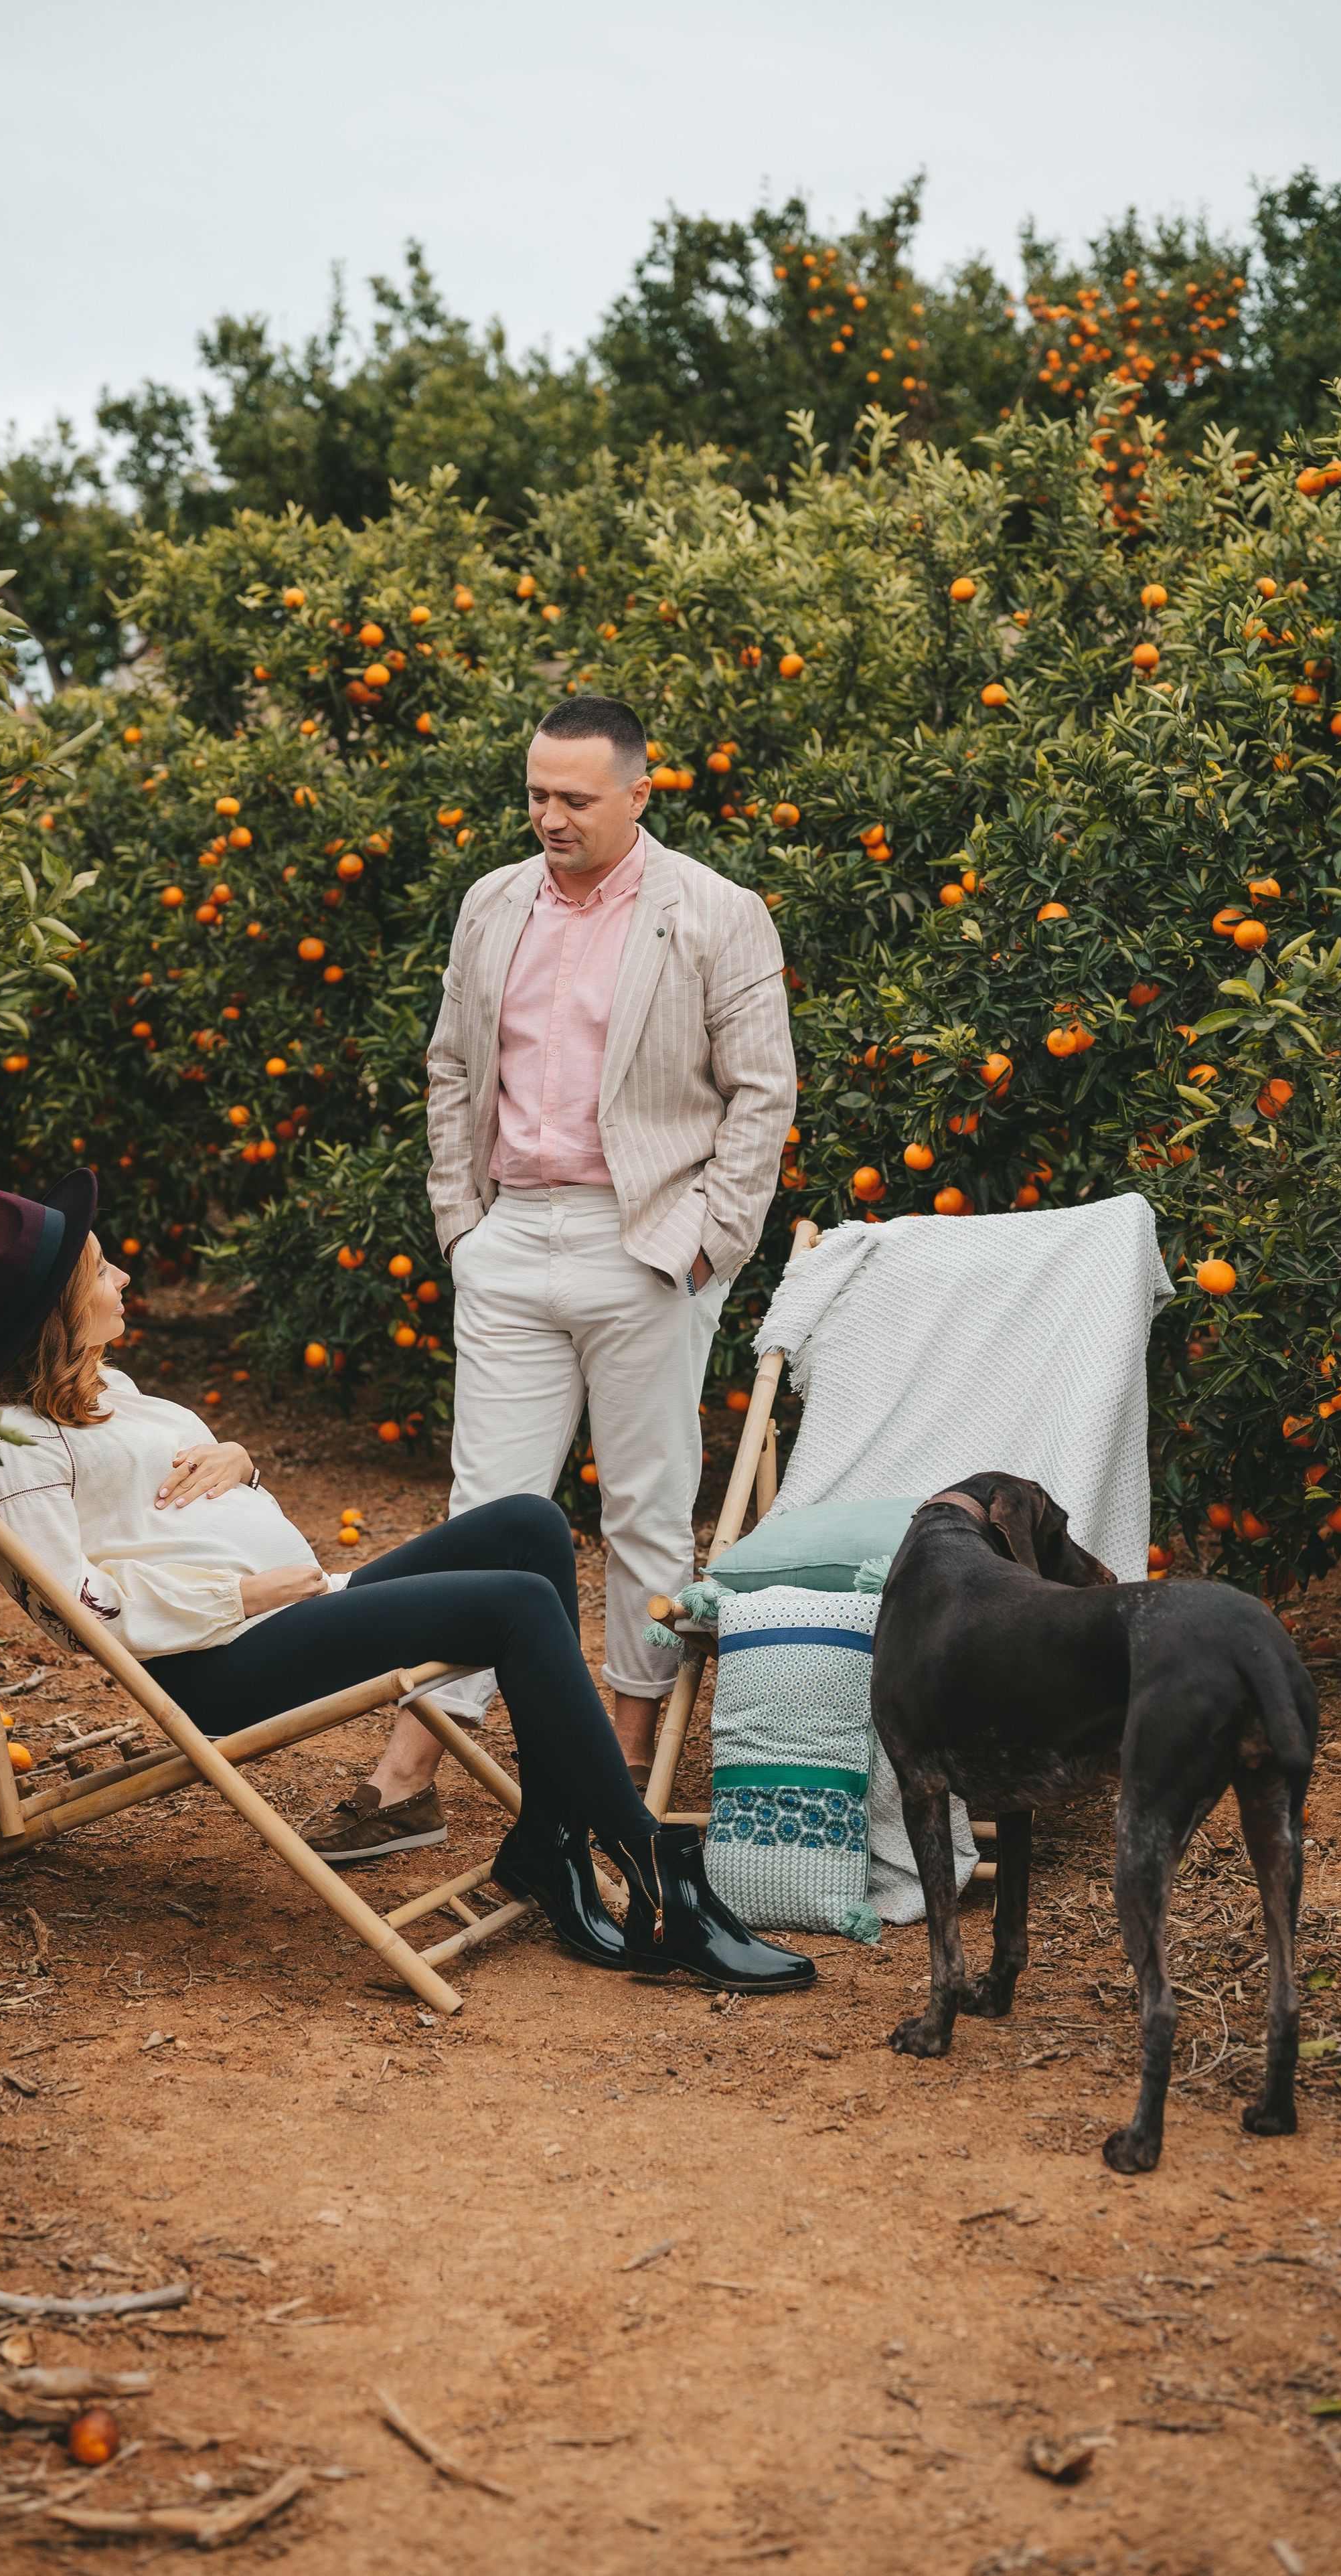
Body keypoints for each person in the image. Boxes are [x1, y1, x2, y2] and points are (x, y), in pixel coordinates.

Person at [0, 1173, 812, 1996]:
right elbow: (75, 1606)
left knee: (529, 1525)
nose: (124, 1272)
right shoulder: (14, 1448)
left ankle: (550, 1842)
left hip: (294, 1609)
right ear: (60, 1309)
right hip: (221, 1664)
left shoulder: (105, 1389)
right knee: (517, 1604)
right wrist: (244, 1597)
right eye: (101, 1268)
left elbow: (163, 1505)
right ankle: (657, 1874)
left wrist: (240, 1465)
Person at [305, 692, 796, 1864]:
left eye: (575, 798)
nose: (549, 816)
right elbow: (449, 1069)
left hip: (647, 1240)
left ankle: (617, 1758)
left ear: (640, 790)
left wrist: (701, 1244)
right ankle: (420, 1759)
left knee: (642, 1507)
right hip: (511, 1236)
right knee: (488, 1512)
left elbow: (763, 1095)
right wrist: (462, 1227)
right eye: (536, 793)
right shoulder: (492, 903)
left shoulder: (715, 915)